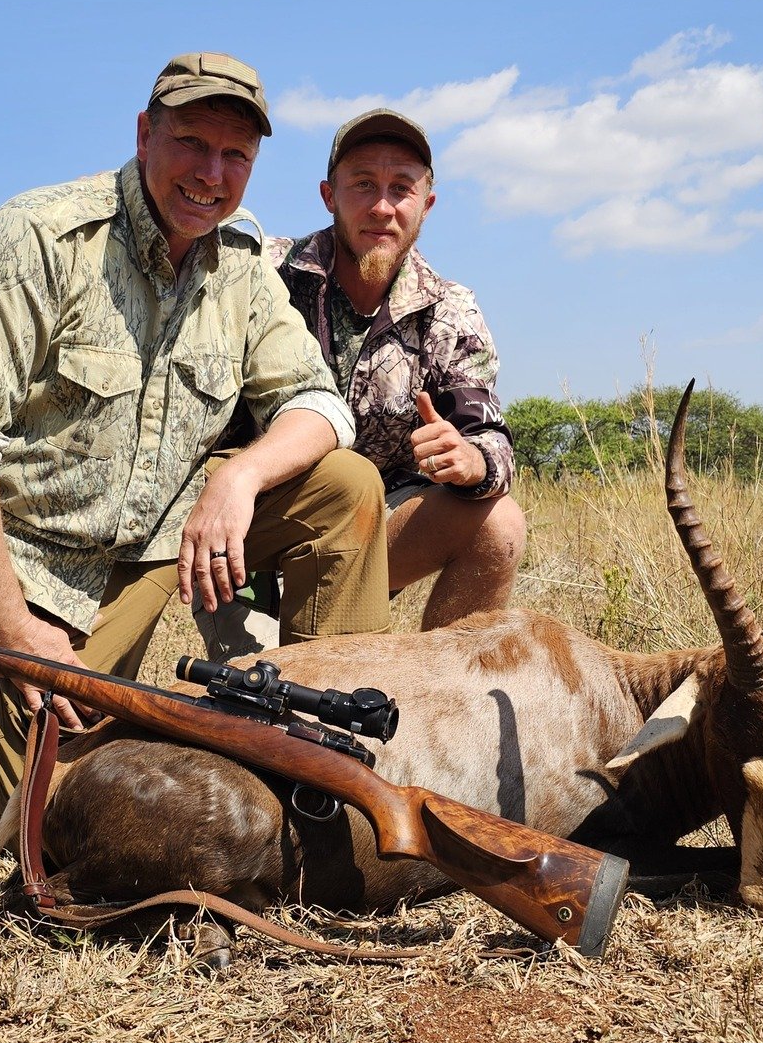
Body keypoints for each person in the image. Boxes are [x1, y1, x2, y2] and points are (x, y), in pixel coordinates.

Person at [0, 53, 390, 833]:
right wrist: (19, 634)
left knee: (347, 484)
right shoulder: (35, 237)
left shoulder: (245, 267)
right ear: (143, 136)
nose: (212, 173)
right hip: (32, 560)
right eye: (193, 143)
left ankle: (324, 747)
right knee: (53, 820)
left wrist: (238, 480)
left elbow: (320, 407)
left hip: (163, 542)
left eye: (237, 156)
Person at [198, 107, 522, 650]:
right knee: (255, 706)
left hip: (371, 534)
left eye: (401, 189)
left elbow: (492, 439)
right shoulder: (258, 273)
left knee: (500, 524)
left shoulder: (451, 310)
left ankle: (437, 697)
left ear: (427, 205)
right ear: (329, 195)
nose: (381, 207)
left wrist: (471, 461)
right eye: (363, 184)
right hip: (248, 530)